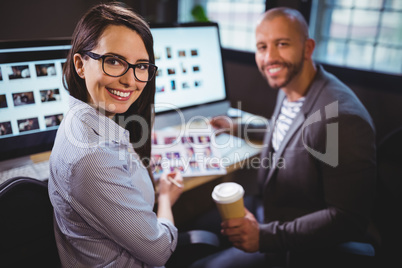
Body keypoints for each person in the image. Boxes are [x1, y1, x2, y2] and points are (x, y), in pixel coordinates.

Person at [197, 7, 376, 267]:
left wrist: (264, 237)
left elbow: (348, 218)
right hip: (270, 209)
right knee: (193, 228)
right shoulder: (293, 85)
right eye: (261, 47)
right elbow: (285, 130)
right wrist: (236, 127)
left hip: (294, 242)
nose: (270, 57)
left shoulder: (342, 118)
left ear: (307, 47)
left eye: (282, 44)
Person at [48, 3, 183, 267]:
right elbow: (160, 251)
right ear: (80, 64)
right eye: (113, 61)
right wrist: (166, 197)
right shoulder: (91, 158)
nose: (130, 80)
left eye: (141, 66)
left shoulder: (85, 120)